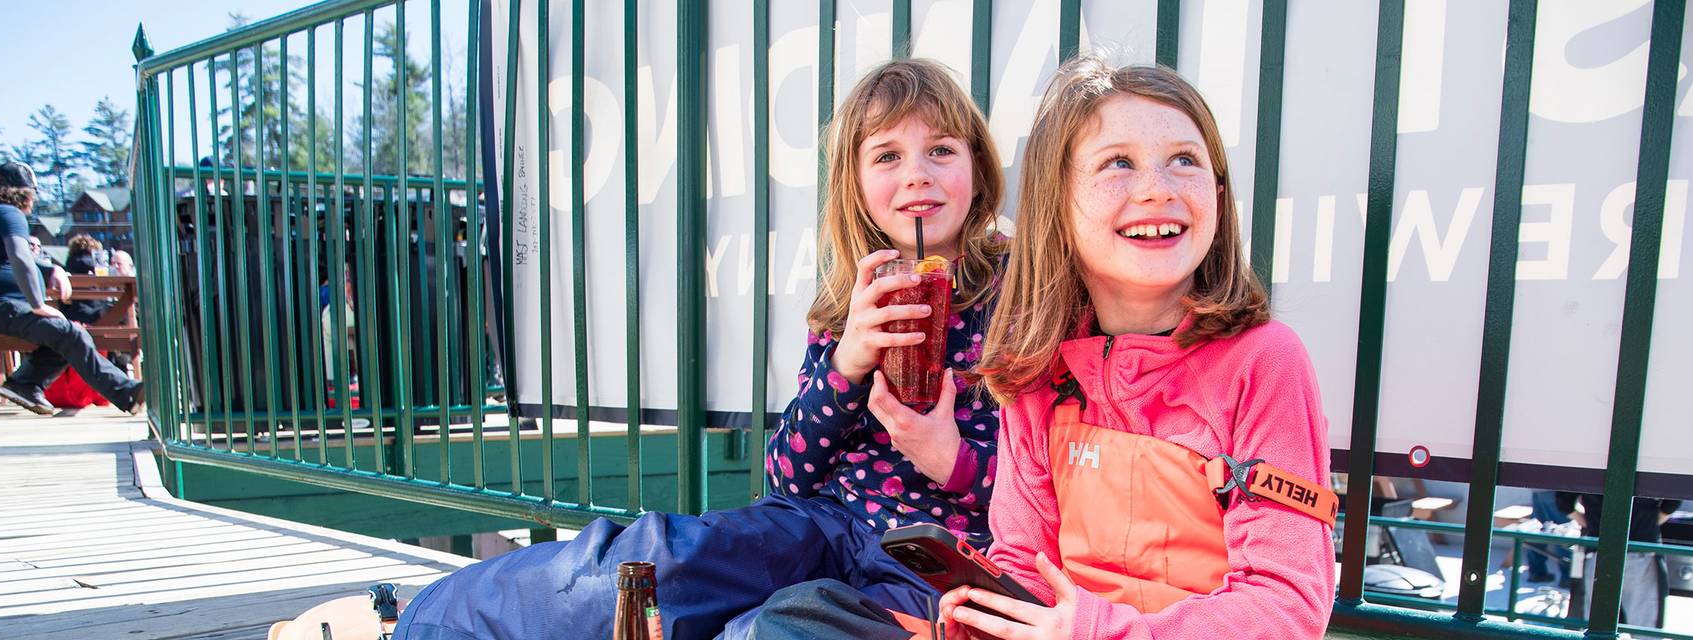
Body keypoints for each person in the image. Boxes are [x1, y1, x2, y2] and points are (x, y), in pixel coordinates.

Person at [393, 58, 1010, 640]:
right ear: (855, 183)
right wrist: (845, 363)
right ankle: (432, 622)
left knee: (778, 629)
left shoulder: (1019, 295)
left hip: (939, 554)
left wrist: (950, 459)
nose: (916, 174)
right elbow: (788, 476)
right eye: (887, 155)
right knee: (655, 560)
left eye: (941, 150)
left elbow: (1047, 482)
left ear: (977, 168)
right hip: (825, 525)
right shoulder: (849, 303)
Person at [752, 58, 1338, 640]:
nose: (1157, 189)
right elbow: (1019, 561)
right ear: (1058, 205)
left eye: (1184, 160)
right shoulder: (1037, 367)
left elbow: (1287, 607)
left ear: (1217, 193)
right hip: (861, 543)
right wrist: (982, 617)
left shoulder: (1263, 363)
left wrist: (1087, 629)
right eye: (1118, 164)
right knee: (787, 622)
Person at [0, 162, 142, 415]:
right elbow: (19, 256)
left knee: (68, 330)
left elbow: (13, 258)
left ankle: (25, 384)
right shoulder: (9, 213)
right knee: (67, 331)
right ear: (26, 194)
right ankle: (126, 393)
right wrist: (38, 305)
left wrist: (51, 269)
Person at [1557, 492, 1681, 628]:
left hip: (1600, 547)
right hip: (1640, 548)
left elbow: (1564, 501)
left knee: (1597, 624)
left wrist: (1589, 522)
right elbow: (1674, 500)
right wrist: (1650, 523)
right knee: (1643, 623)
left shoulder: (1590, 472)